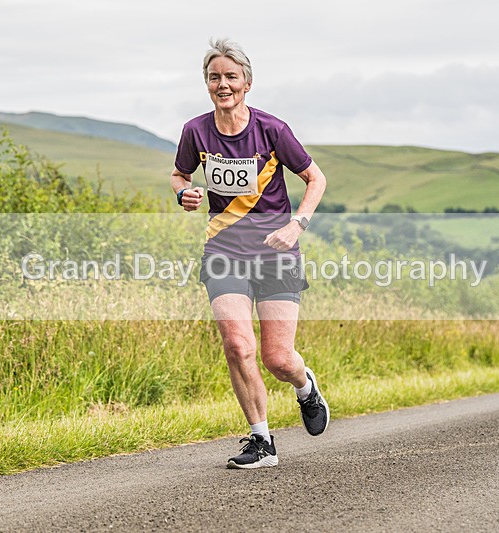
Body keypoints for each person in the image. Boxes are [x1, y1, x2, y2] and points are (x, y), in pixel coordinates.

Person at [170, 38, 329, 469]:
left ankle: (305, 386)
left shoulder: (272, 130)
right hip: (223, 251)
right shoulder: (195, 131)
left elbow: (315, 179)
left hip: (276, 253)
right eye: (214, 77)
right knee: (238, 346)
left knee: (277, 358)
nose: (222, 84)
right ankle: (262, 441)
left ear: (247, 83)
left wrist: (297, 225)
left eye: (230, 77)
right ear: (206, 84)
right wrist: (184, 191)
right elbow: (179, 173)